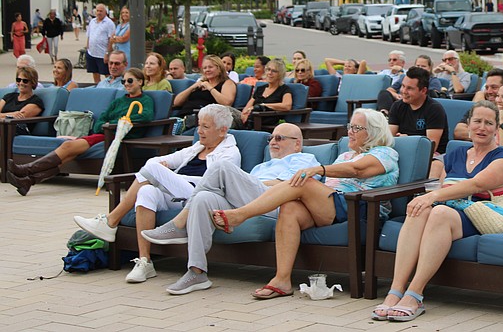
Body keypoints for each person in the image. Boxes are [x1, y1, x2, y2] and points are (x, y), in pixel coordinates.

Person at [209, 108, 399, 299]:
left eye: (357, 128)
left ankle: (240, 215)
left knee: (305, 180)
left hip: (360, 208)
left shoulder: (385, 153)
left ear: (374, 132)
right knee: (289, 208)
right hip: (333, 206)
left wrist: (318, 169)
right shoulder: (345, 155)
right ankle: (282, 280)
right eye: (350, 126)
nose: (350, 131)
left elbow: (357, 170)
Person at [373, 101, 503, 321]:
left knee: (438, 211)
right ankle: (395, 291)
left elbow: (477, 185)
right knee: (420, 211)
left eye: (489, 123)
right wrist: (428, 197)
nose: (482, 127)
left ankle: (415, 294)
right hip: (450, 212)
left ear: (497, 127)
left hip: (483, 215)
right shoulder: (456, 154)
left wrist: (431, 197)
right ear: (468, 124)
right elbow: (439, 186)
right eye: (477, 121)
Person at [139, 123, 321, 295]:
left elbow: (290, 186)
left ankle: (179, 223)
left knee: (221, 167)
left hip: (275, 204)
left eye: (279, 138)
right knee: (203, 198)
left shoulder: (304, 160)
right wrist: (241, 183)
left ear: (297, 144)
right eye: (271, 138)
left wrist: (245, 182)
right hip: (249, 202)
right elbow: (243, 189)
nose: (273, 142)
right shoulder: (262, 166)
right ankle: (197, 272)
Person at [72, 104, 241, 283]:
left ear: (222, 131)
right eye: (199, 125)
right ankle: (145, 261)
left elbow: (212, 184)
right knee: (146, 191)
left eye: (205, 127)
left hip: (200, 197)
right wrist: (164, 172)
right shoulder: (197, 148)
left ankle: (111, 221)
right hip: (179, 194)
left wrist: (167, 175)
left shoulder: (230, 154)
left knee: (153, 169)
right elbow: (156, 161)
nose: (199, 131)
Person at [6, 67, 154, 196]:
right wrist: (108, 124)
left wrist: (117, 123)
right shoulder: (119, 101)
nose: (126, 84)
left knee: (67, 147)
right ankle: (28, 180)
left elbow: (145, 116)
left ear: (140, 82)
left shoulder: (145, 100)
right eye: (123, 81)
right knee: (66, 154)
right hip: (105, 134)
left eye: (130, 81)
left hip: (120, 137)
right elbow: (101, 120)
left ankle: (25, 170)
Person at [388, 67, 449, 154]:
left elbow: (431, 148)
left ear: (423, 90)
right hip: (402, 151)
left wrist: (408, 141)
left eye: (409, 88)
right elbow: (389, 138)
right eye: (403, 86)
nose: (403, 91)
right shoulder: (397, 106)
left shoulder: (434, 109)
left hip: (432, 157)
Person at [452, 68, 503, 140]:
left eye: (494, 87)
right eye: (487, 87)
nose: (489, 91)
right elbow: (458, 132)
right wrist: (488, 135)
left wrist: (477, 133)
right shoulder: (481, 107)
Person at [172, 56, 237, 118]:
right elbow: (176, 103)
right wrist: (192, 87)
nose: (207, 70)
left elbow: (227, 103)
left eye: (210, 67)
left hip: (204, 118)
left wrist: (210, 88)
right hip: (184, 115)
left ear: (219, 69)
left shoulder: (227, 83)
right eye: (205, 68)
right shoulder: (200, 83)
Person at [377, 55, 442, 115]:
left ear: (429, 68)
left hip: (415, 104)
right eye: (418, 66)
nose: (420, 68)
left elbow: (433, 97)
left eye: (423, 66)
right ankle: (384, 114)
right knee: (384, 93)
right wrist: (397, 95)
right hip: (400, 100)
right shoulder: (406, 77)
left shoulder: (433, 80)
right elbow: (390, 90)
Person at [240, 58, 292, 131]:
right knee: (226, 112)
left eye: (274, 71)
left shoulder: (284, 89)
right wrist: (244, 114)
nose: (270, 73)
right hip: (248, 118)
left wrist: (264, 105)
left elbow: (287, 106)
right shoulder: (260, 89)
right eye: (268, 69)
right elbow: (247, 107)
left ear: (280, 74)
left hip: (265, 119)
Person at [1, 66, 45, 131]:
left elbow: (19, 118)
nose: (21, 83)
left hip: (16, 130)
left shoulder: (36, 101)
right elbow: (14, 115)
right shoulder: (9, 96)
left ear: (33, 82)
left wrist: (5, 116)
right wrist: (12, 114)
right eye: (18, 80)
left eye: (25, 81)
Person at [86, 4, 116, 84]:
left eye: (101, 11)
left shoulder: (109, 23)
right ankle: (97, 87)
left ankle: (110, 86)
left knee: (107, 74)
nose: (99, 13)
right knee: (95, 72)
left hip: (102, 54)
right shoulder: (92, 21)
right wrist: (87, 47)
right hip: (92, 53)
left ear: (105, 12)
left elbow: (111, 39)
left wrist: (107, 53)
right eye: (97, 10)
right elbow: (89, 35)